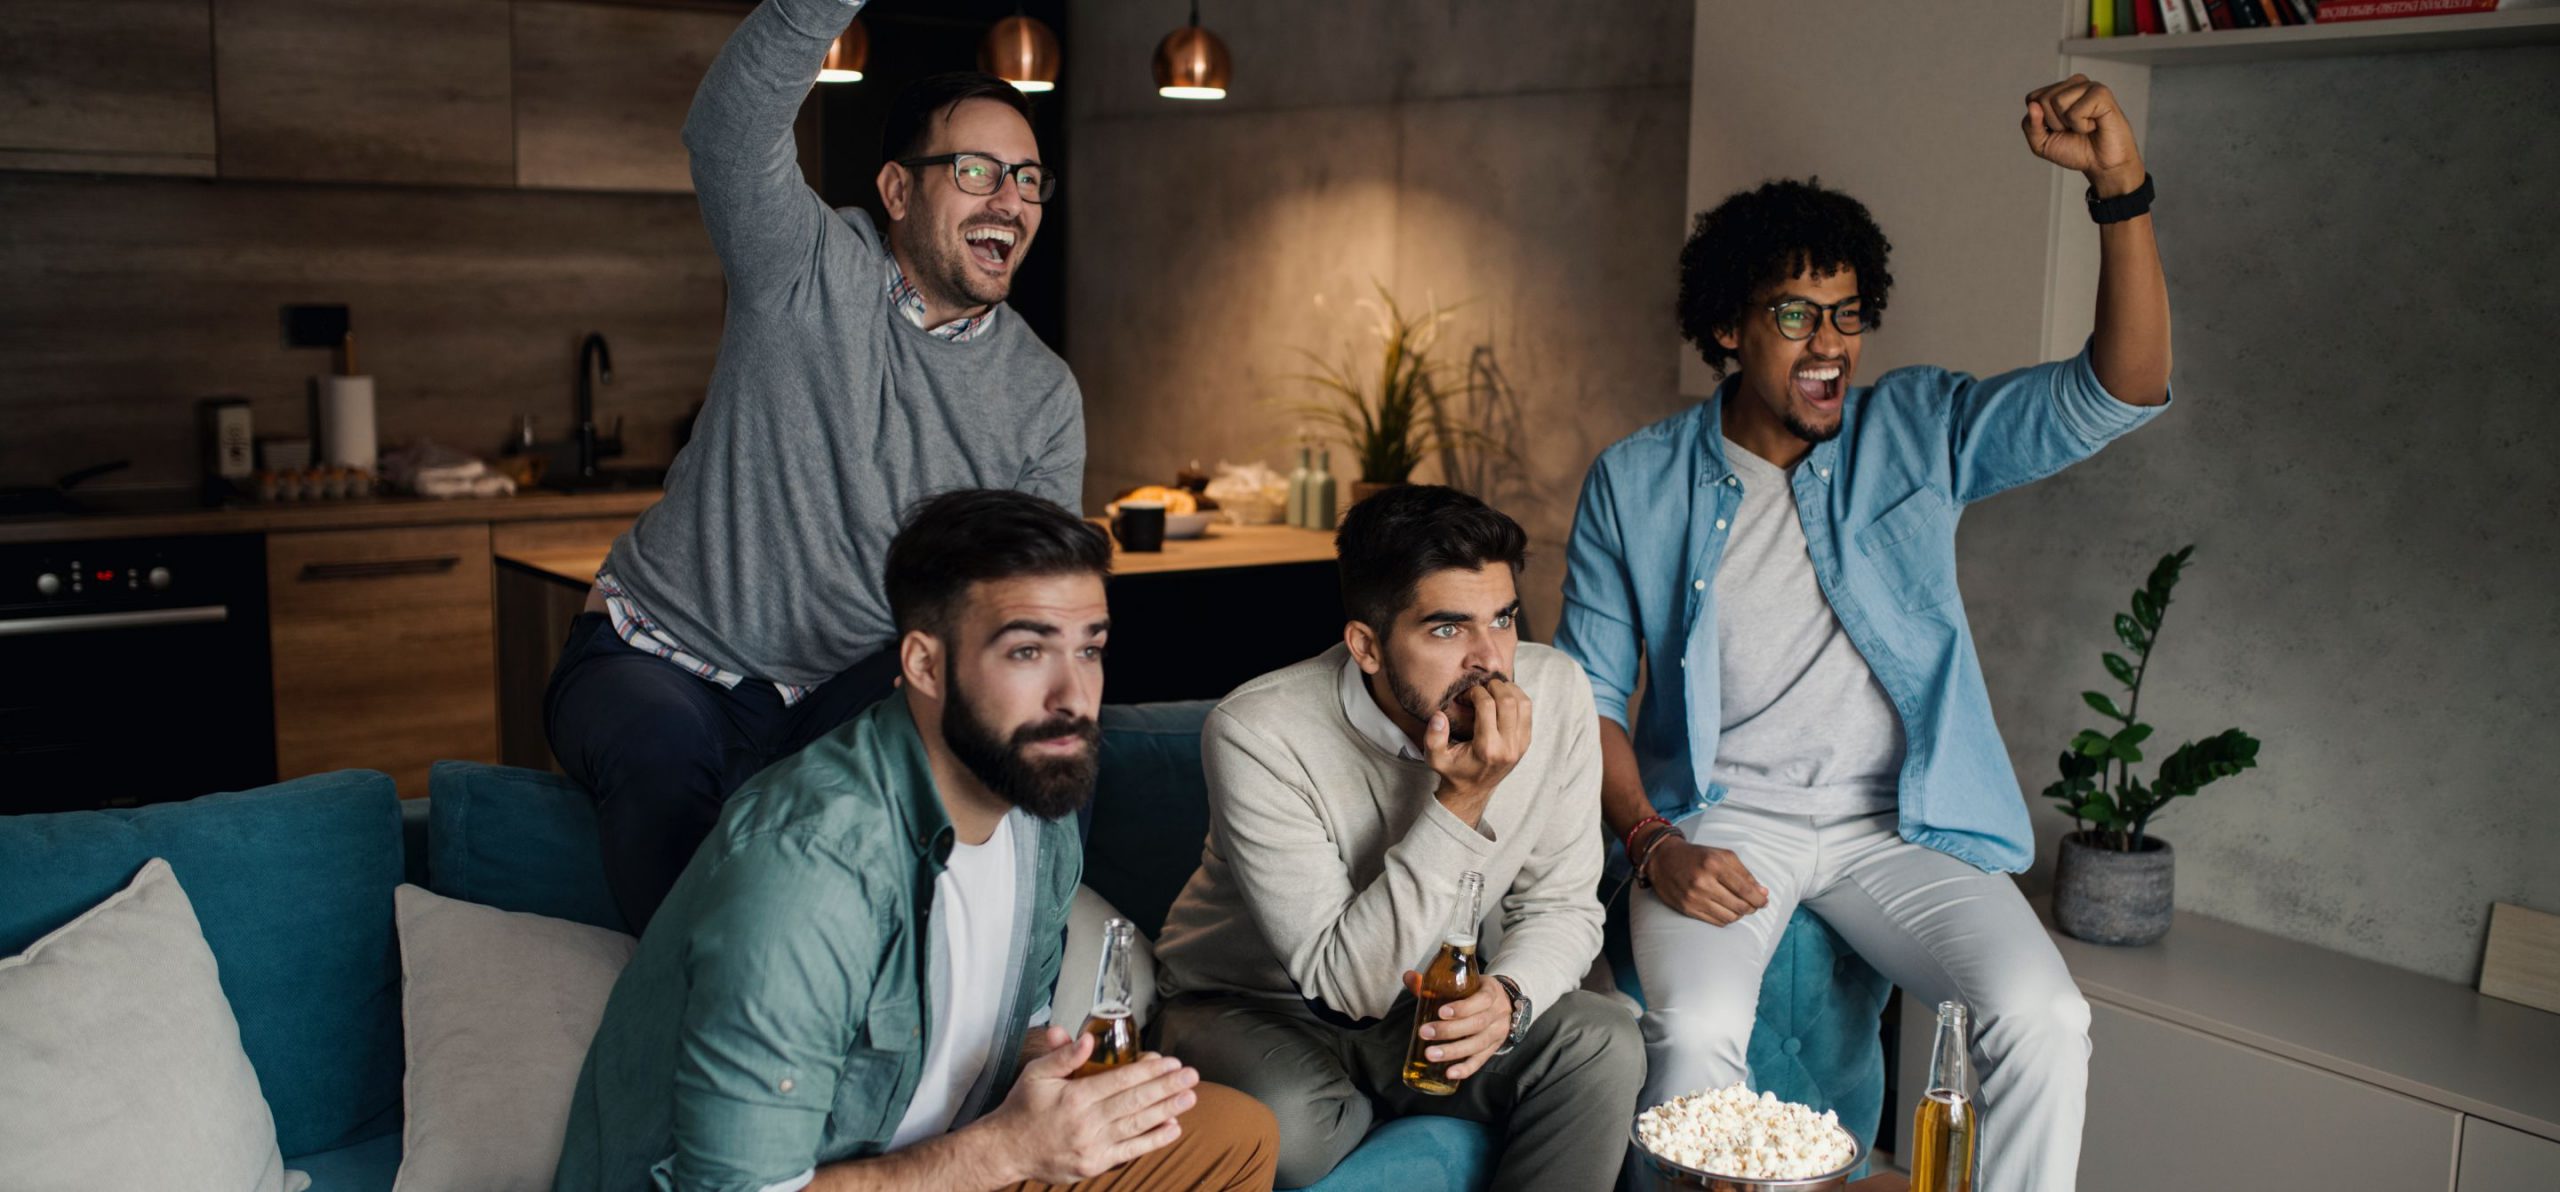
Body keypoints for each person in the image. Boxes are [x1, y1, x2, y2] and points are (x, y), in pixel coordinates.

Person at [1553, 76, 2172, 1192]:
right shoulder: (1636, 481)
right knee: (1691, 1045)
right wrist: (1651, 841)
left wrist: (2118, 191)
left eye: (1846, 312)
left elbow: (2122, 389)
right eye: (1794, 313)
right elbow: (1589, 691)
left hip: (1904, 824)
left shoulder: (1920, 427)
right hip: (1721, 818)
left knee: (2043, 1015)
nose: (1829, 342)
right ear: (1726, 326)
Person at [554, 490, 1276, 1192]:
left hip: (941, 1158)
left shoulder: (1038, 806)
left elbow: (991, 1042)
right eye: (1027, 652)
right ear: (925, 665)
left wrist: (1052, 1084)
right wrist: (1006, 1149)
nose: (1074, 697)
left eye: (1089, 650)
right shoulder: (808, 871)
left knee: (1236, 1135)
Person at [545, 0, 1084, 930]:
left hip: (840, 692)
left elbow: (1026, 609)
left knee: (932, 778)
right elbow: (726, 129)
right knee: (666, 764)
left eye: (1029, 180)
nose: (1011, 200)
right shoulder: (802, 266)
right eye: (977, 171)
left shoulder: (1042, 396)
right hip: (658, 657)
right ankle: (700, 1039)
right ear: (899, 189)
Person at [1152, 485, 1643, 1192]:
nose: (1491, 660)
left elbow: (1563, 905)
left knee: (1602, 1041)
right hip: (1248, 1003)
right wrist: (1462, 799)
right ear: (1368, 646)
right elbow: (1347, 987)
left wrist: (1510, 996)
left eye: (1502, 619)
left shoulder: (1558, 692)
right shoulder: (1258, 732)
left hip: (1423, 1006)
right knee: (1296, 1132)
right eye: (1447, 629)